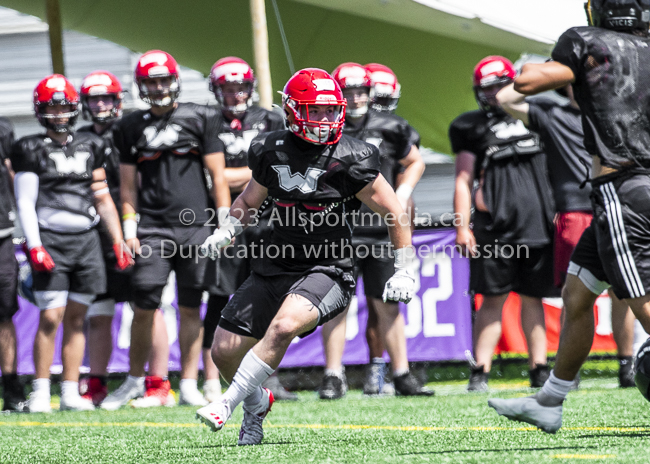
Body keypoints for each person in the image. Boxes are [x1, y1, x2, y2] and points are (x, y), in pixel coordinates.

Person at [195, 68, 415, 446]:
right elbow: (250, 199)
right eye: (318, 110)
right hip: (277, 261)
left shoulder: (353, 154)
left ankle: (227, 403)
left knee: (283, 327)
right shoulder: (270, 148)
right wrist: (227, 229)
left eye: (333, 110)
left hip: (328, 266)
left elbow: (395, 211)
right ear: (293, 110)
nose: (328, 119)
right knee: (223, 352)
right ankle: (256, 401)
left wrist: (404, 268)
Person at [488, 0, 650, 433]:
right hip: (633, 187)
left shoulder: (587, 39)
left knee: (641, 300)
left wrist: (557, 64)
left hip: (622, 186)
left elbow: (524, 82)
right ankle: (550, 400)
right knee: (577, 293)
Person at [100, 50, 230, 410]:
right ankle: (133, 381)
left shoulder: (200, 116)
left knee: (191, 307)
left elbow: (218, 176)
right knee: (144, 303)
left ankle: (189, 383)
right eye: (151, 82)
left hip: (196, 227)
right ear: (141, 86)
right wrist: (129, 229)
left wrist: (223, 224)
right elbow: (127, 187)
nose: (158, 88)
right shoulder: (129, 127)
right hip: (154, 229)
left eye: (162, 80)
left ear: (174, 80)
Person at [497, 81, 637, 388]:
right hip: (575, 214)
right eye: (575, 81)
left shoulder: (615, 111)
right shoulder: (553, 115)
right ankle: (568, 373)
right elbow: (504, 98)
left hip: (619, 207)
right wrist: (555, 69)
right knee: (574, 297)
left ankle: (627, 366)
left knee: (624, 293)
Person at [12, 74, 131, 412]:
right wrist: (34, 244)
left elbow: (102, 197)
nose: (60, 113)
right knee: (51, 316)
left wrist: (118, 239)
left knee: (78, 317)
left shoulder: (91, 144)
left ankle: (68, 390)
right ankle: (39, 391)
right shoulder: (30, 146)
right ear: (40, 110)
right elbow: (25, 202)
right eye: (52, 107)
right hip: (50, 238)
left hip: (87, 240)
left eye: (64, 106)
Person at [317, 62, 429, 400]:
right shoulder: (325, 126)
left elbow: (415, 161)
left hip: (383, 230)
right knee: (336, 303)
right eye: (348, 92)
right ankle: (333, 375)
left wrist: (403, 193)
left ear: (370, 92)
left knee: (388, 303)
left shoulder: (391, 125)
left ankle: (402, 373)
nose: (354, 98)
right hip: (341, 228)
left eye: (360, 91)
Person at [450, 56, 556, 392]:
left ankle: (539, 367)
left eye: (499, 84)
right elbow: (463, 180)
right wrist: (462, 226)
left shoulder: (539, 115)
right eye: (488, 87)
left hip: (539, 224)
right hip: (494, 229)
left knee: (533, 298)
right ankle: (480, 370)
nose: (495, 93)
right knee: (491, 299)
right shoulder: (470, 127)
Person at [199, 57, 295, 402]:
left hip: (270, 223)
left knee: (271, 302)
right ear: (216, 89)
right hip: (229, 223)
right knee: (221, 299)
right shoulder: (208, 122)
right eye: (228, 87)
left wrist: (244, 175)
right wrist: (256, 176)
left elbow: (280, 167)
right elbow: (217, 177)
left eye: (241, 86)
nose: (236, 94)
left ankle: (269, 378)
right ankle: (211, 380)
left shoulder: (269, 118)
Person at [0, 117, 27, 412]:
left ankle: (12, 387)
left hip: (2, 234)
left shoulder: (3, 129)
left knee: (4, 312)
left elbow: (13, 175)